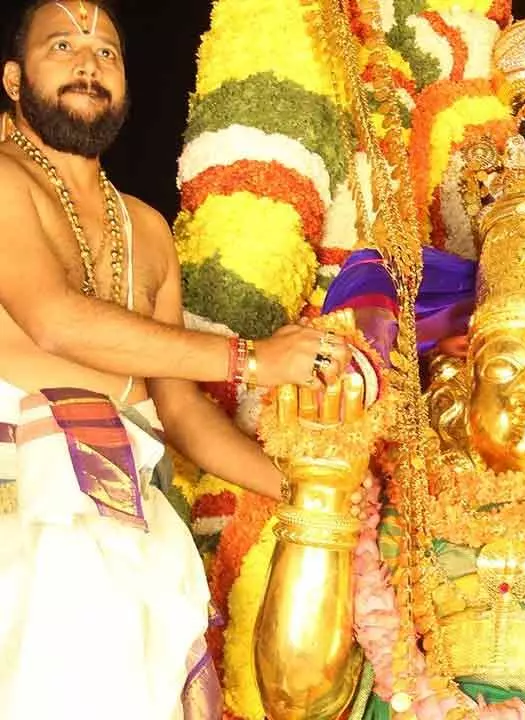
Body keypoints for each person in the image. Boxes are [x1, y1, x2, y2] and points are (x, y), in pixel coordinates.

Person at [0, 2, 350, 718]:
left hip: (130, 537)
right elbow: (54, 321)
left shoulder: (148, 231)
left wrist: (318, 497)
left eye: (106, 52)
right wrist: (249, 359)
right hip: (20, 523)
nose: (88, 63)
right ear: (13, 78)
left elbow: (180, 413)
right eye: (62, 45)